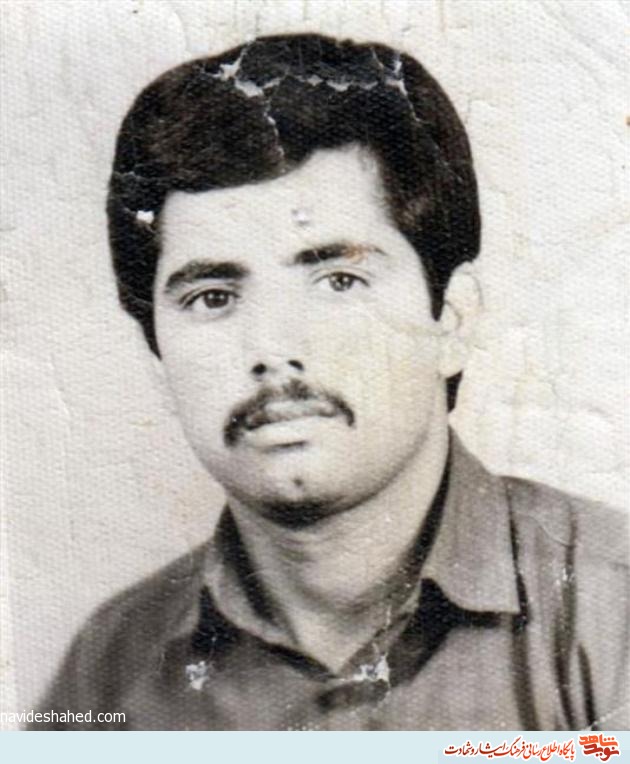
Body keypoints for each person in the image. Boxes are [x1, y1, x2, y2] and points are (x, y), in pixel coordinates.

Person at [35, 33, 628, 731]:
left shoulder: (611, 619)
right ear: (157, 356)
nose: (273, 347)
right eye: (213, 297)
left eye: (339, 280)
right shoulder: (107, 673)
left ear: (451, 319)